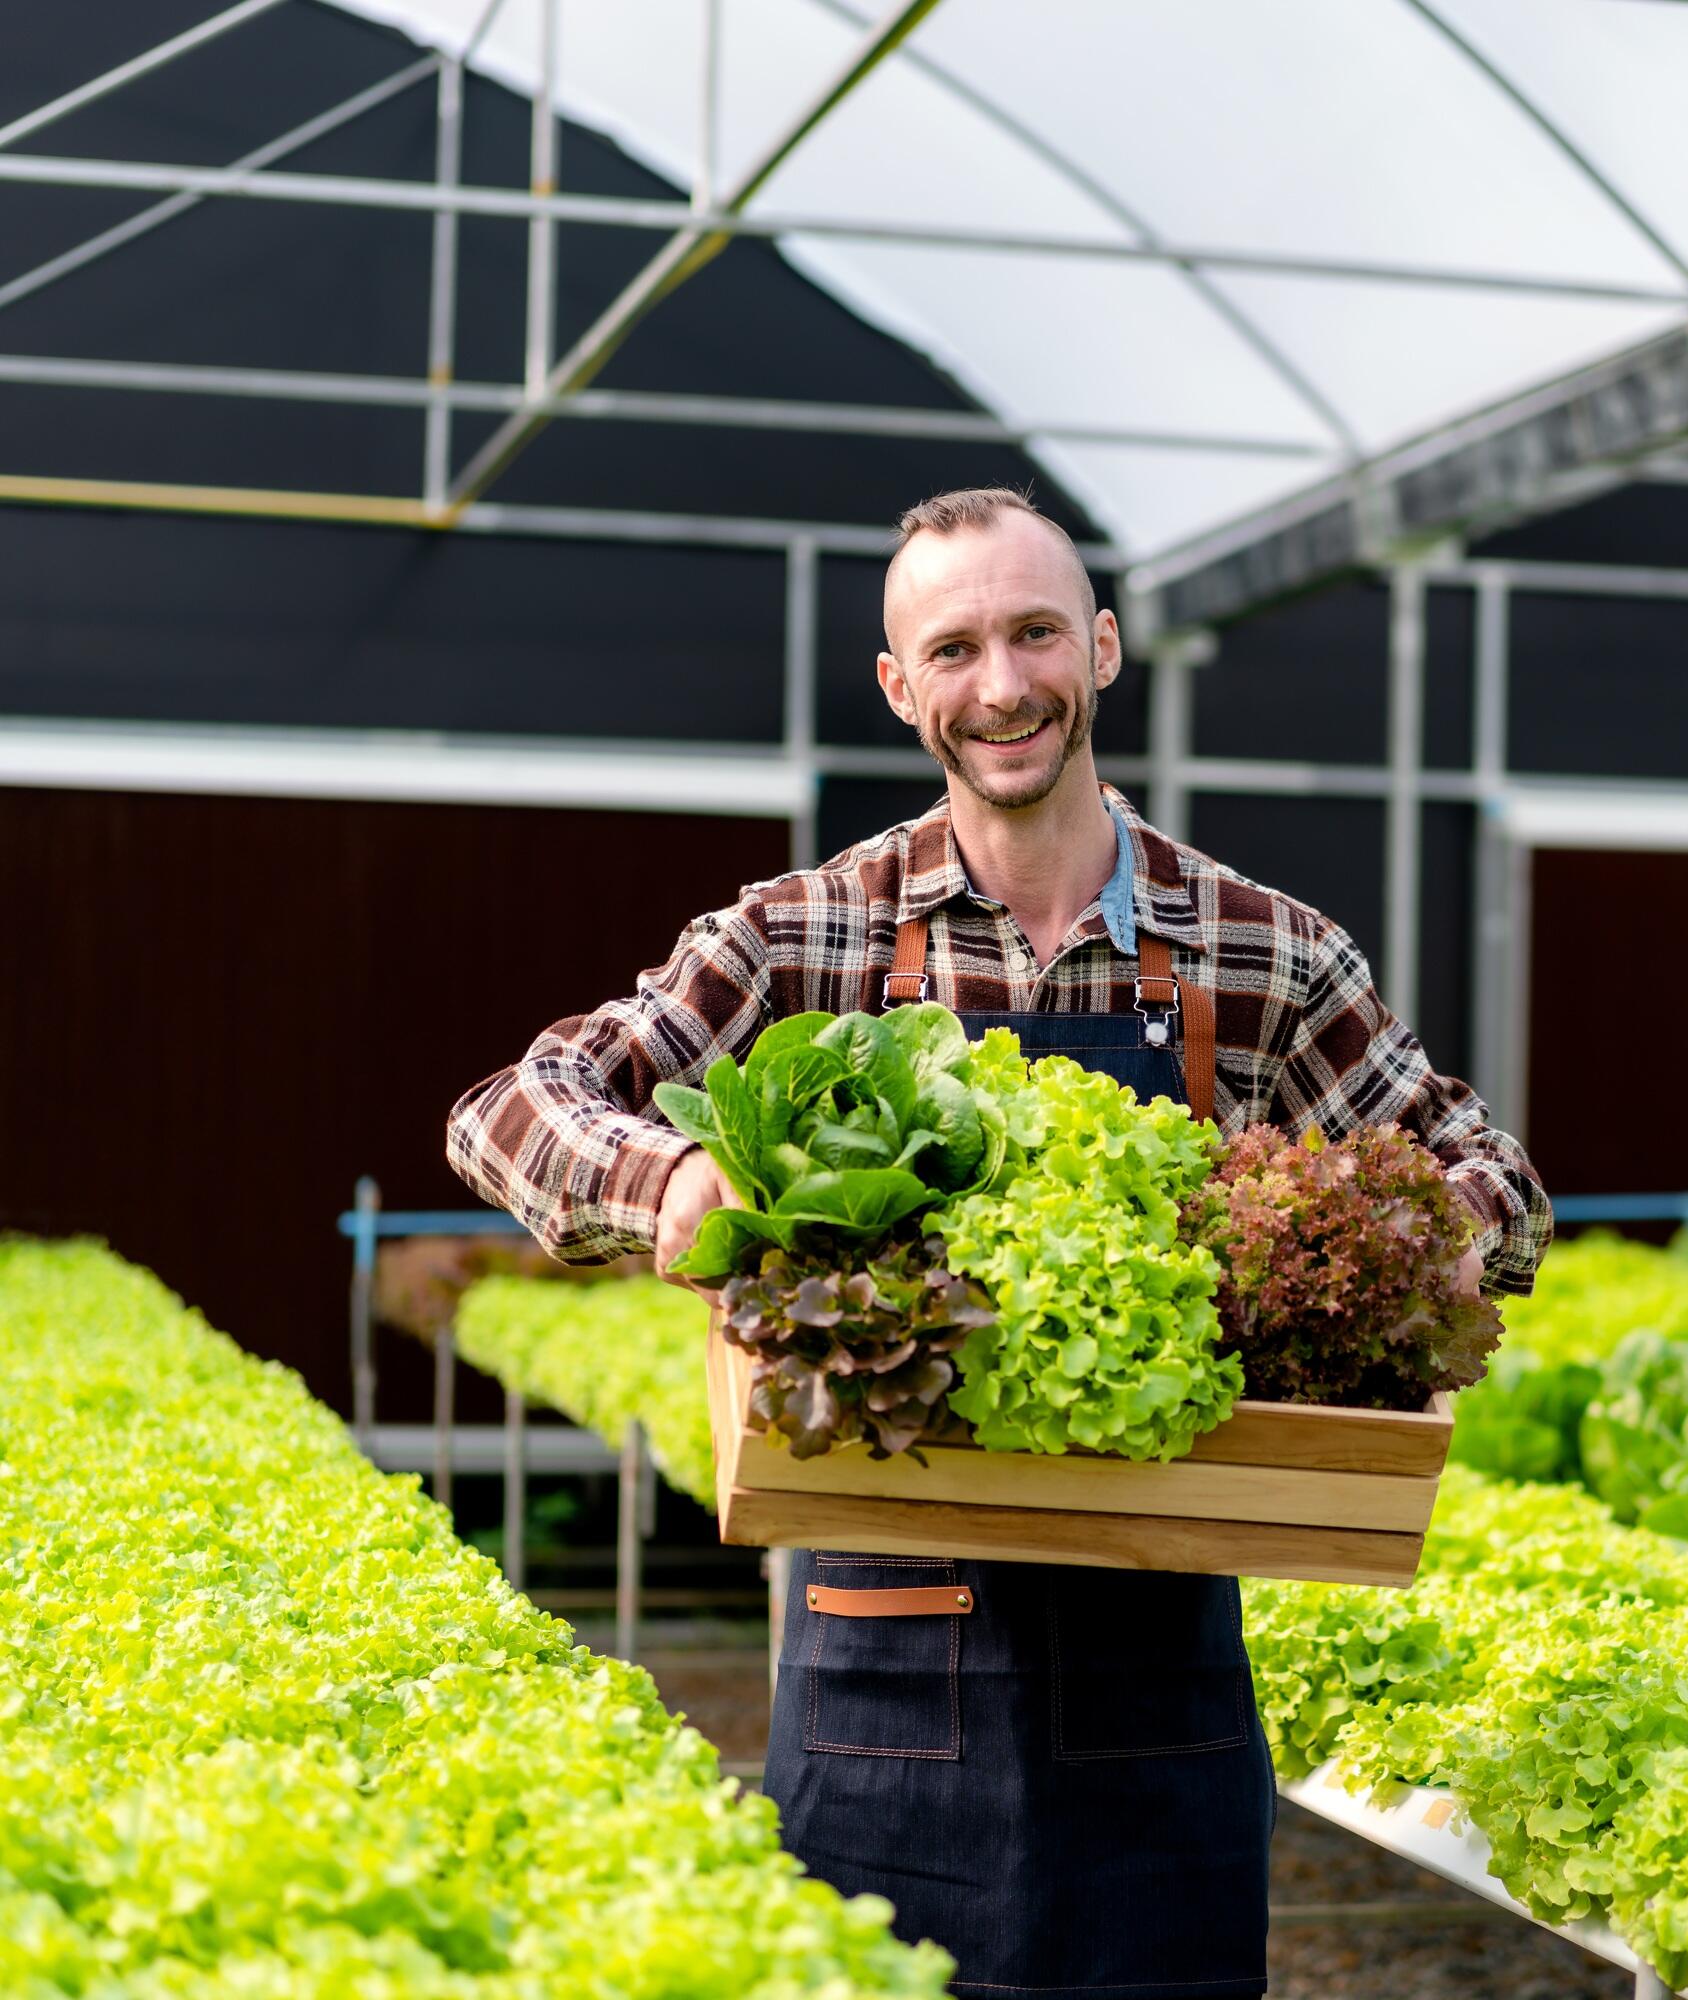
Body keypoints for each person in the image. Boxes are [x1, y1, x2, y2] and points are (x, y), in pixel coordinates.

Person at [447, 485, 1553, 1998]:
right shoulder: (810, 934)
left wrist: (1404, 1253)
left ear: (1100, 648)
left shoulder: (1263, 949)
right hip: (881, 1652)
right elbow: (512, 1108)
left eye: (1036, 634)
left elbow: (1496, 1177)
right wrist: (674, 1182)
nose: (1003, 685)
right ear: (903, 689)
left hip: (1160, 1642)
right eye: (954, 650)